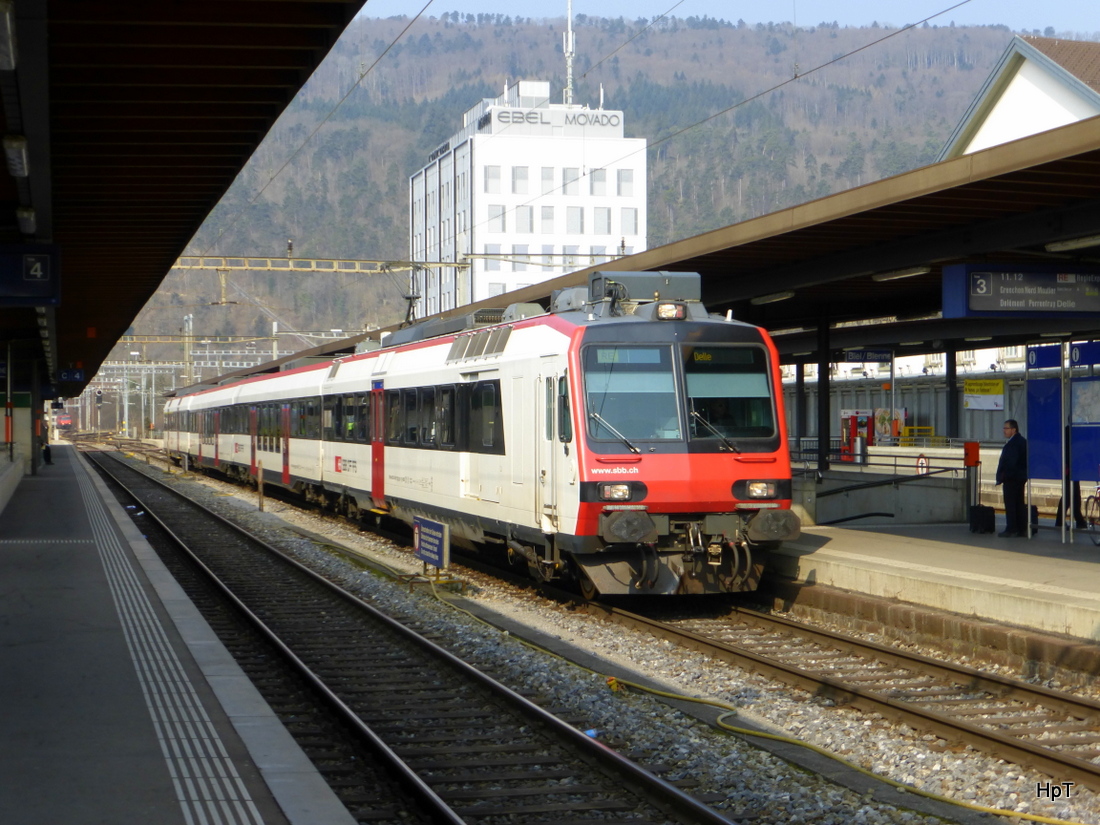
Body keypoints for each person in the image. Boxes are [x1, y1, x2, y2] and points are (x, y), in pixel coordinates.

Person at [995, 419, 1028, 537]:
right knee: (1019, 503)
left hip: (1012, 478)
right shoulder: (1022, 441)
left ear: (1013, 430)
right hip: (1020, 477)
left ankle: (1011, 528)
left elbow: (1010, 462)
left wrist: (1005, 475)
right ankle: (1021, 528)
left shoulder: (1013, 444)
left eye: (1006, 428)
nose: (1004, 431)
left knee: (1010, 504)